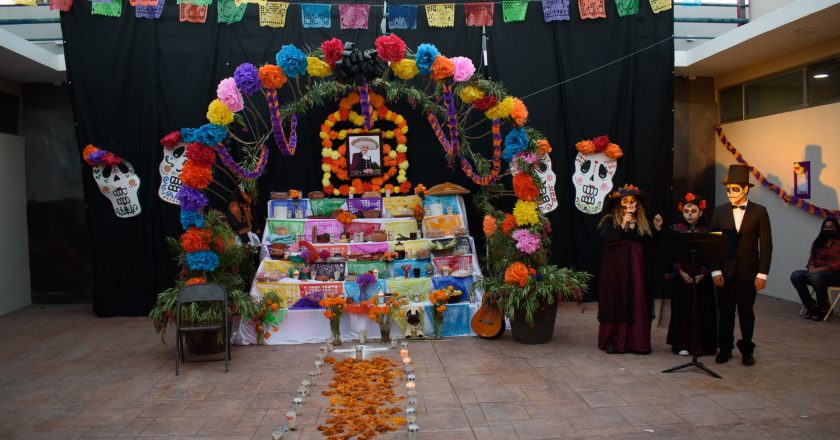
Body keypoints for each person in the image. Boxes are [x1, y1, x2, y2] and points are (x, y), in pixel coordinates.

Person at [709, 164, 772, 366]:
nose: (730, 192)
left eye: (734, 189)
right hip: (725, 272)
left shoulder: (760, 212)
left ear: (745, 189)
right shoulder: (719, 212)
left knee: (746, 313)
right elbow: (712, 244)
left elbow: (767, 244)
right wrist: (715, 270)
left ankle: (747, 350)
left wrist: (762, 274)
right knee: (725, 313)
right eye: (728, 189)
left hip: (748, 271)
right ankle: (724, 349)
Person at [597, 184, 663, 354]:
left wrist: (656, 229)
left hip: (638, 269)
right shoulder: (610, 220)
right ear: (619, 204)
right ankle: (615, 341)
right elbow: (608, 239)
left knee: (637, 300)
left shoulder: (643, 221)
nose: (630, 204)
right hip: (617, 268)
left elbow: (652, 243)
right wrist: (623, 223)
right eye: (626, 201)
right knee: (619, 300)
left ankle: (636, 342)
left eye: (633, 201)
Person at [665, 193, 717, 357]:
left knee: (702, 309)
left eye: (693, 211)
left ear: (700, 212)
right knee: (682, 308)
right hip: (683, 278)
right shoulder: (675, 230)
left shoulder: (708, 231)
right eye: (686, 211)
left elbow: (713, 256)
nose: (689, 214)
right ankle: (683, 343)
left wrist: (704, 274)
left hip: (701, 278)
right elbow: (670, 253)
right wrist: (680, 272)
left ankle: (703, 344)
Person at [790, 219, 840, 321]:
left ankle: (824, 308)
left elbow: (837, 265)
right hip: (817, 274)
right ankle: (812, 306)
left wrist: (818, 270)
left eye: (831, 227)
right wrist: (812, 268)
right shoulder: (819, 242)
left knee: (817, 276)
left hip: (836, 275)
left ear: (836, 228)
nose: (828, 229)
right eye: (826, 227)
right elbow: (812, 259)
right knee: (796, 276)